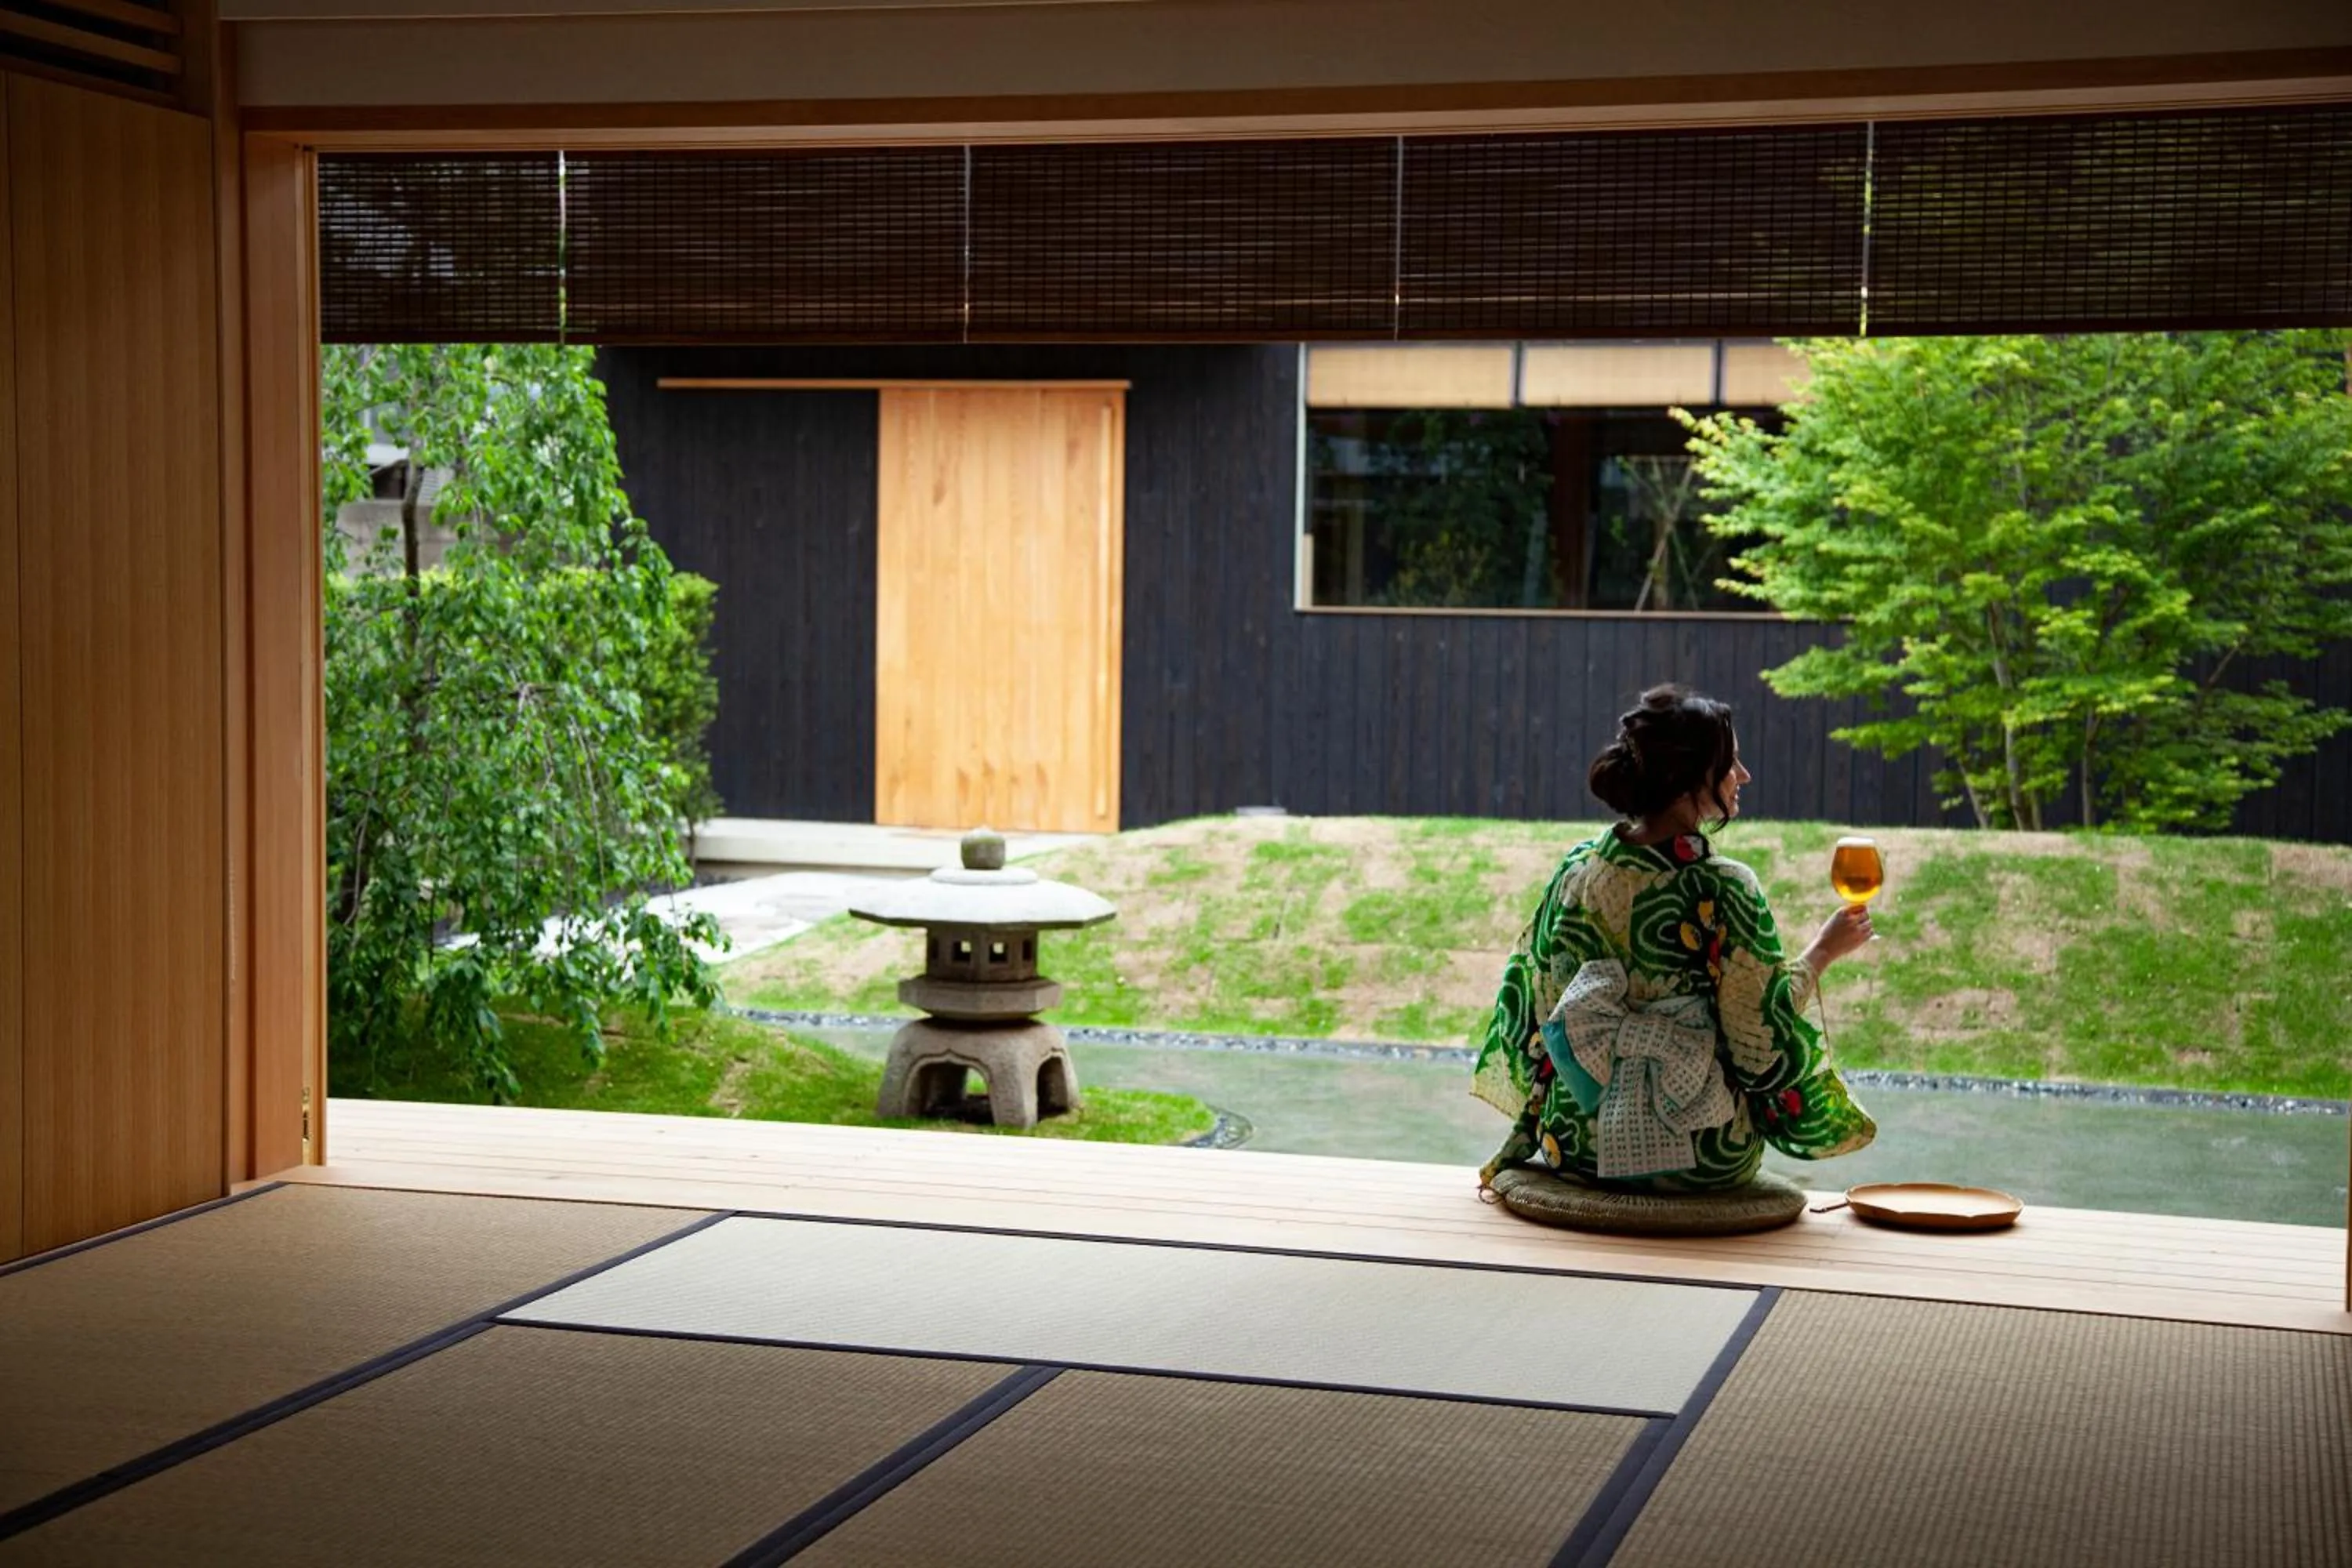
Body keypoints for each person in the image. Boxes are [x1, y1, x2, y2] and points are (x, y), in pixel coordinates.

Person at [1472, 684, 1876, 1193]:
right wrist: (1824, 951)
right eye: (1730, 763)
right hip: (1703, 1156)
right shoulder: (1724, 885)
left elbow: (1541, 1002)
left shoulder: (1576, 871)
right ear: (1687, 782)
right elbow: (1759, 1047)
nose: (1743, 776)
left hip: (1572, 1142)